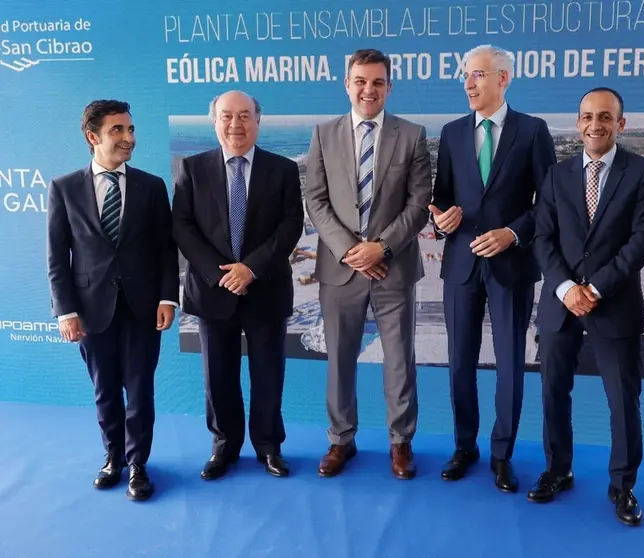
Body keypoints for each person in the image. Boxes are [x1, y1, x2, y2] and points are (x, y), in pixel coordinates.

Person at [530, 87, 644, 526]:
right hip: (561, 302)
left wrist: (596, 288)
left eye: (605, 117)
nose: (595, 125)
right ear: (577, 121)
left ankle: (623, 485)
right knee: (553, 392)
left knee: (623, 399)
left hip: (615, 302)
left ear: (620, 124)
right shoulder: (556, 175)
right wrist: (567, 287)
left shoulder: (643, 172)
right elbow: (543, 238)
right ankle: (557, 470)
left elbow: (642, 241)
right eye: (587, 116)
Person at [429, 44, 556, 493]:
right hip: (461, 264)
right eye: (466, 75)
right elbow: (441, 195)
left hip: (512, 265)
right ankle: (465, 447)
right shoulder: (450, 133)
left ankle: (502, 454)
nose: (468, 82)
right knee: (460, 361)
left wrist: (513, 233)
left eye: (478, 74)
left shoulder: (534, 131)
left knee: (509, 366)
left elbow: (548, 203)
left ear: (504, 78)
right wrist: (439, 219)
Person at [304, 48, 432, 479]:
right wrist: (349, 249)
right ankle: (341, 440)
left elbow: (418, 205)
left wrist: (381, 247)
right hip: (341, 269)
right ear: (347, 83)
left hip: (392, 267)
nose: (368, 89)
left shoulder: (412, 135)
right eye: (360, 81)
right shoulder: (323, 134)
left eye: (377, 82)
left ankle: (400, 442)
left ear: (389, 86)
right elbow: (316, 201)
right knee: (340, 359)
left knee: (399, 359)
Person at [46, 100, 179, 501]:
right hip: (90, 311)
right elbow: (57, 257)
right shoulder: (64, 188)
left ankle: (138, 465)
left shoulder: (152, 186)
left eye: (131, 129)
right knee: (105, 390)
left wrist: (167, 299)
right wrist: (65, 311)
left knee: (140, 390)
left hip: (142, 307)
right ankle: (113, 458)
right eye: (118, 130)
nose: (129, 138)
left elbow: (166, 251)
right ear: (93, 136)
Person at [172, 90, 304, 480]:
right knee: (218, 378)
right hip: (212, 292)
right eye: (227, 116)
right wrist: (221, 273)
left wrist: (250, 269)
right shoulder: (192, 169)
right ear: (214, 122)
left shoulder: (282, 169)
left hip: (265, 288)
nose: (236, 125)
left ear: (258, 121)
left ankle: (268, 447)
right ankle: (223, 448)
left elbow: (290, 226)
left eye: (245, 116)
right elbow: (182, 226)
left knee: (268, 376)